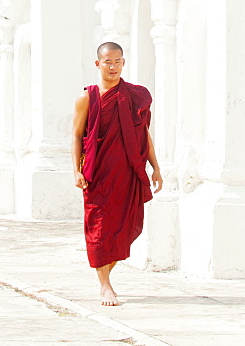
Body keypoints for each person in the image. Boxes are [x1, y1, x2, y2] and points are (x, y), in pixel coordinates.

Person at [71, 42, 162, 306]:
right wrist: (76, 170)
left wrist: (155, 167)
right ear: (97, 64)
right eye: (108, 62)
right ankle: (105, 285)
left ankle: (106, 275)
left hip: (129, 171)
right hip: (98, 173)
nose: (113, 67)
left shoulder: (135, 95)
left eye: (118, 61)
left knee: (123, 228)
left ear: (123, 63)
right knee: (99, 227)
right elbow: (77, 135)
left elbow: (143, 133)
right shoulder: (88, 97)